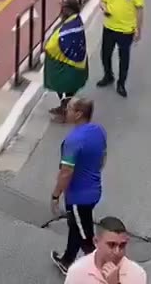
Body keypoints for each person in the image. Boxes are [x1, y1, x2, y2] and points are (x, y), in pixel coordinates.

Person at [50, 98, 107, 276]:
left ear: (78, 114)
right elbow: (102, 158)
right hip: (94, 190)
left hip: (78, 198)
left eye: (69, 109)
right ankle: (67, 260)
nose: (66, 111)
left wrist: (55, 195)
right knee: (77, 226)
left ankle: (102, 275)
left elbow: (66, 172)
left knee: (87, 240)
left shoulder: (73, 140)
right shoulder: (98, 131)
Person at [97, 0, 145, 98]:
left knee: (124, 58)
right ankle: (108, 75)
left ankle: (121, 83)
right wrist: (104, 8)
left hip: (126, 30)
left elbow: (139, 9)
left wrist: (138, 29)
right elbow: (102, 1)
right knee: (105, 54)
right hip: (109, 27)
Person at [44, 0, 89, 123]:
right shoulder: (74, 21)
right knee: (63, 86)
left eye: (63, 8)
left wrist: (49, 48)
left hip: (70, 65)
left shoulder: (72, 26)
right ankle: (64, 106)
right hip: (71, 63)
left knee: (63, 84)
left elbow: (63, 41)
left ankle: (66, 110)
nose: (61, 10)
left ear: (69, 10)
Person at [65, 216, 147, 284]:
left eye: (122, 245)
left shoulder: (137, 274)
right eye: (111, 245)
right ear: (96, 242)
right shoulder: (77, 272)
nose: (117, 252)